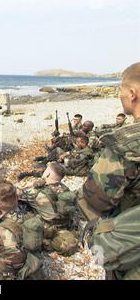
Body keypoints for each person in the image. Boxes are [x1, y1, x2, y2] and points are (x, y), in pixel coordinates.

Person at [78, 63, 140, 279]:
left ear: (132, 94)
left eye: (120, 90)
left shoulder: (129, 145)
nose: (119, 95)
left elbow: (97, 198)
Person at [17, 163, 78, 255]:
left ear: (47, 174)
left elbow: (13, 193)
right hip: (65, 224)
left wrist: (28, 184)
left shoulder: (36, 192)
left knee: (20, 208)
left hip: (47, 227)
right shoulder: (65, 189)